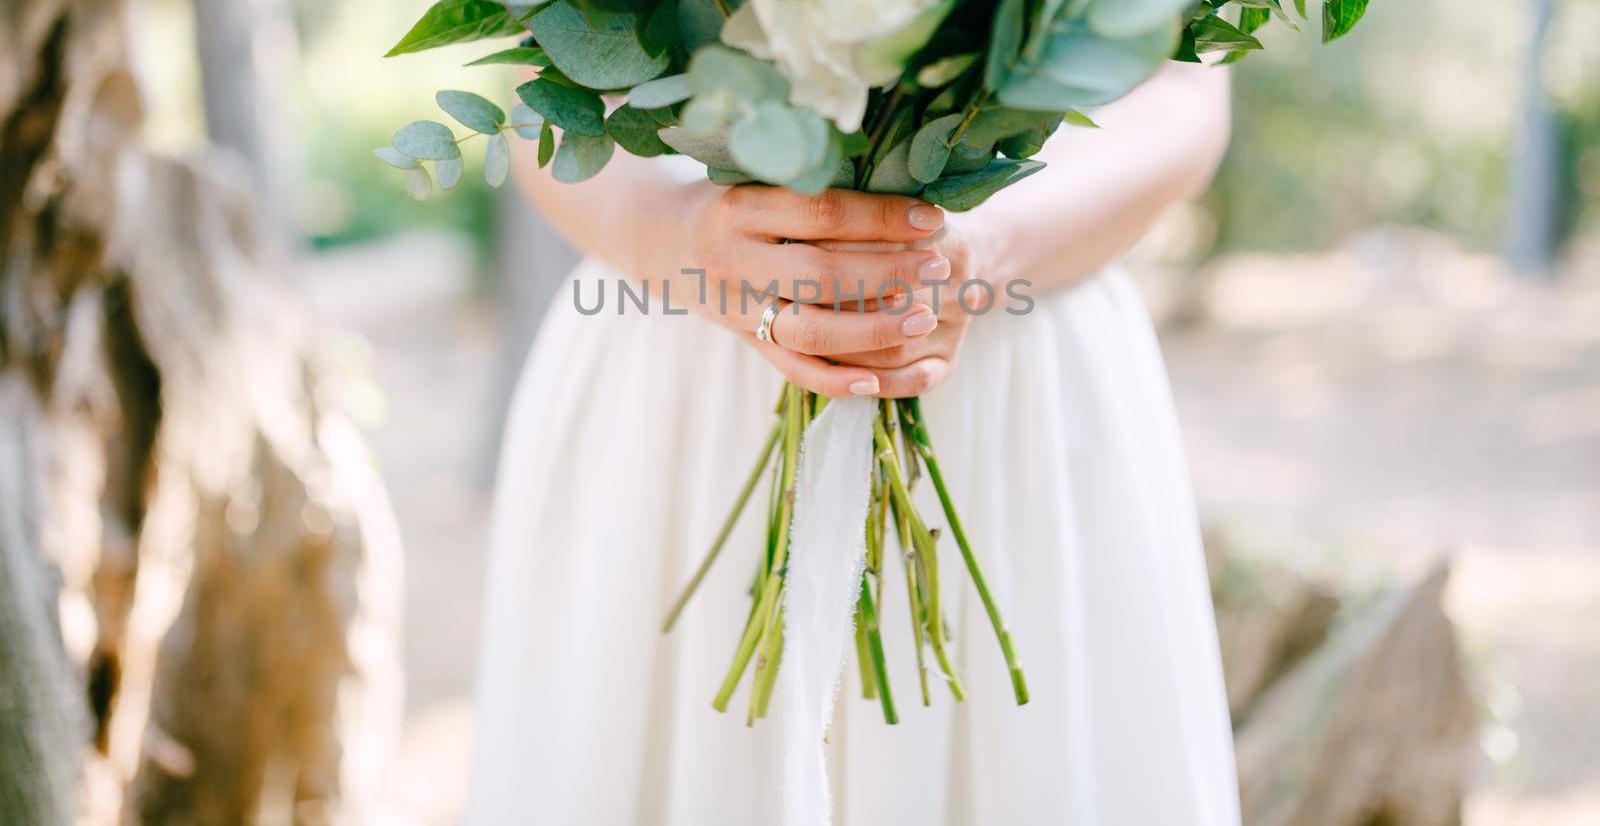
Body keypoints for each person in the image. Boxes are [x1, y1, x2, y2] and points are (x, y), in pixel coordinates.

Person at [464, 62, 1241, 825]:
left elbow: (1183, 88)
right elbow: (547, 92)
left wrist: (974, 246)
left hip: (1017, 354)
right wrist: (681, 237)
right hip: (673, 357)